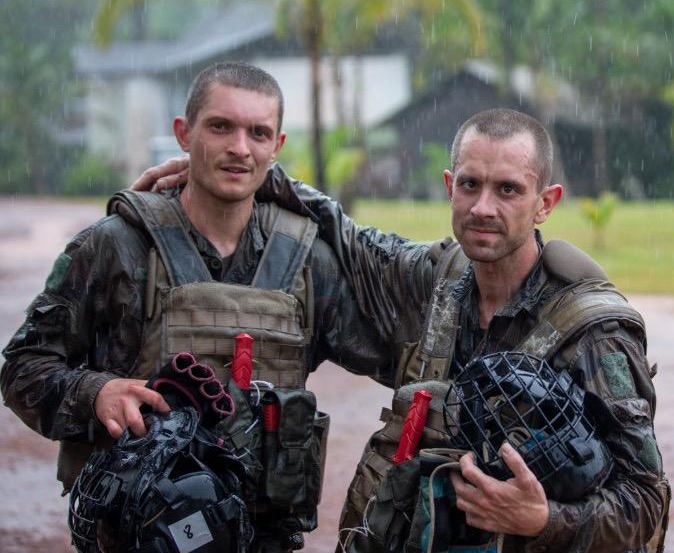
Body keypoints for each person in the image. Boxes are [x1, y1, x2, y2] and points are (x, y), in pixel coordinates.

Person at [223, 109, 668, 552]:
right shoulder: (439, 276)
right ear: (449, 186)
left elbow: (646, 501)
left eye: (508, 189)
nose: (483, 208)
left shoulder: (594, 333)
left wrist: (544, 520)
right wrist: (232, 172)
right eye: (470, 184)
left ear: (545, 203)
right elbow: (349, 237)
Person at [0, 61, 392, 552]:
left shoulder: (309, 261)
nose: (240, 147)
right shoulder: (116, 246)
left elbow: (395, 356)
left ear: (277, 145)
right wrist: (97, 394)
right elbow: (23, 366)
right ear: (184, 134)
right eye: (221, 126)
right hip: (141, 535)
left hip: (263, 536)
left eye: (258, 132)